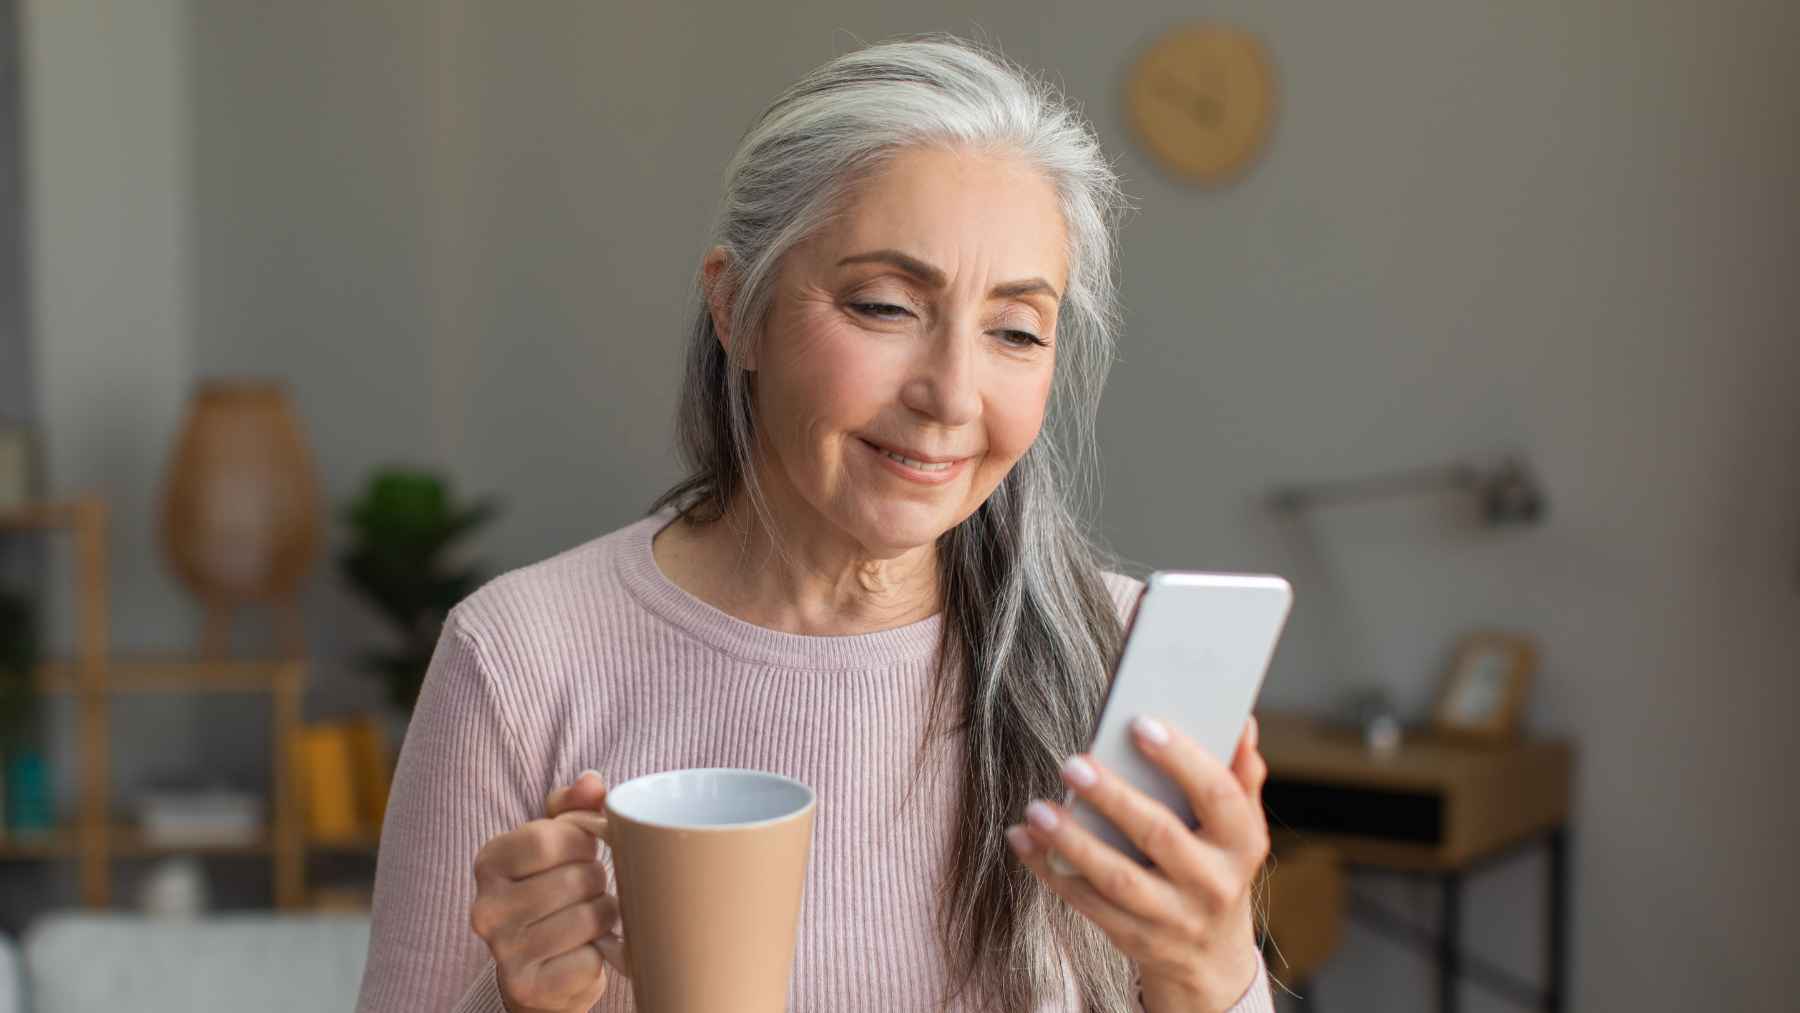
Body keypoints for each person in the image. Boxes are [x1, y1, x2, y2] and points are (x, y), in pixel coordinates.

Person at [355, 34, 1276, 1013]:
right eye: (884, 305)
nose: (951, 394)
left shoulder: (1113, 662)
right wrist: (521, 1002)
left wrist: (1212, 967)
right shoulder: (520, 657)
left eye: (1015, 330)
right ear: (736, 308)